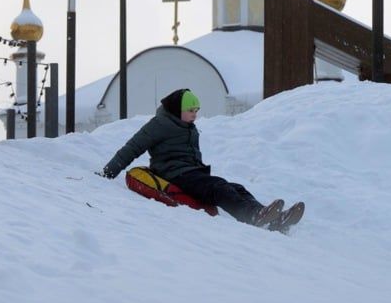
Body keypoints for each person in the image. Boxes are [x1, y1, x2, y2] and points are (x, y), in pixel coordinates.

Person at [99, 88, 303, 230]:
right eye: (190, 110)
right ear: (178, 109)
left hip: (191, 174)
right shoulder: (159, 124)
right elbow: (132, 147)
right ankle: (253, 217)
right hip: (175, 174)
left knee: (237, 187)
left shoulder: (187, 126)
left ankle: (269, 218)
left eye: (196, 111)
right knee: (219, 187)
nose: (194, 115)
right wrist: (109, 172)